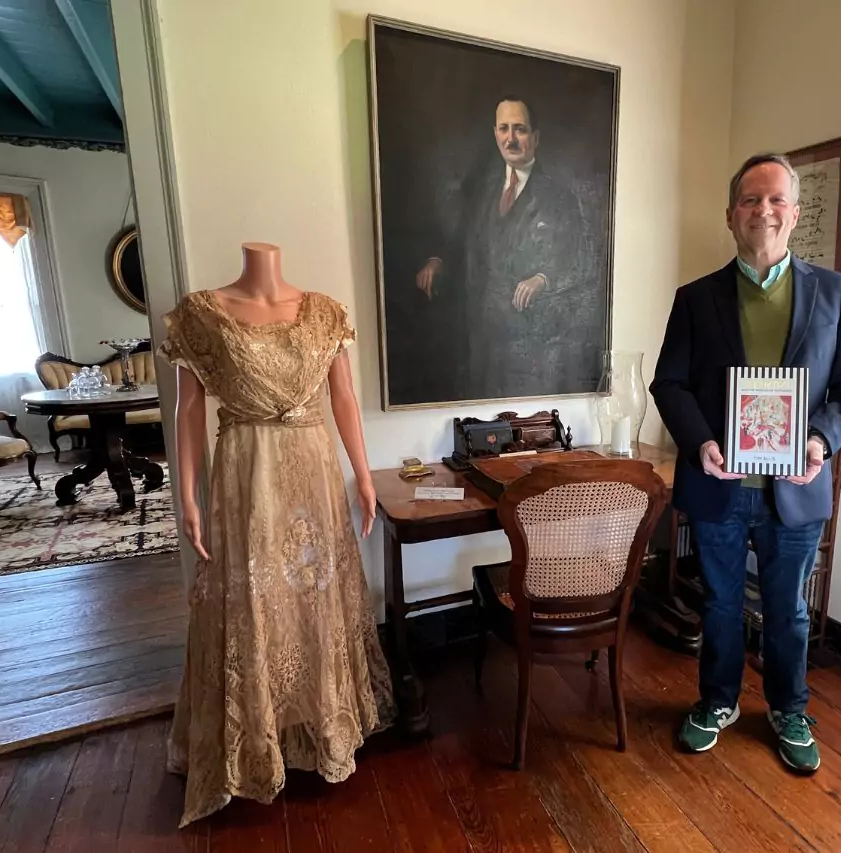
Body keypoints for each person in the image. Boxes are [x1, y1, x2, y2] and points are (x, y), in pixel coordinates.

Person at [649, 154, 841, 773]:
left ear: (795, 214)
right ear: (730, 215)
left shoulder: (836, 293)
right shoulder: (695, 299)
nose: (763, 210)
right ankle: (717, 701)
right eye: (751, 199)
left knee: (789, 607)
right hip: (720, 483)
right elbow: (670, 384)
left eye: (776, 200)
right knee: (720, 603)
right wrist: (700, 442)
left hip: (795, 487)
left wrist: (821, 442)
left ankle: (788, 708)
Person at [160, 242, 395, 827]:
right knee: (253, 601)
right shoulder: (203, 313)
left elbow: (343, 397)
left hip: (312, 474)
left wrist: (363, 477)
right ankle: (256, 740)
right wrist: (185, 494)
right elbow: (189, 408)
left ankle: (320, 726)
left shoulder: (324, 312)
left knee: (312, 597)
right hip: (245, 471)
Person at [414, 96, 590, 401]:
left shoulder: (558, 196)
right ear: (495, 133)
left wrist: (543, 278)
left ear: (535, 137)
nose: (511, 138)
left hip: (528, 341)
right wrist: (437, 260)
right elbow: (461, 236)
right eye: (504, 128)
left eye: (519, 129)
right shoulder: (480, 186)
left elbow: (578, 260)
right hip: (478, 333)